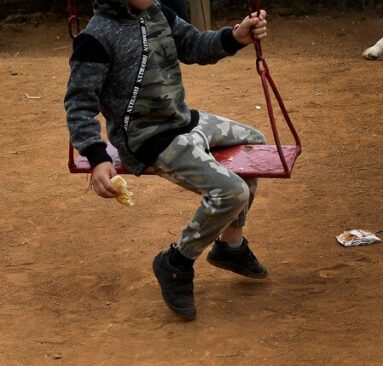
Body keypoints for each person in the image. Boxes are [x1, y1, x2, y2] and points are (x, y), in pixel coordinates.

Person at [65, 0, 268, 320]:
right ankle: (176, 262)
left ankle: (230, 246)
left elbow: (194, 45)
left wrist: (235, 37)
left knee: (254, 145)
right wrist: (97, 156)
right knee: (232, 192)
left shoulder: (157, 13)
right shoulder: (95, 38)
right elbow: (79, 105)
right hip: (148, 141)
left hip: (183, 121)